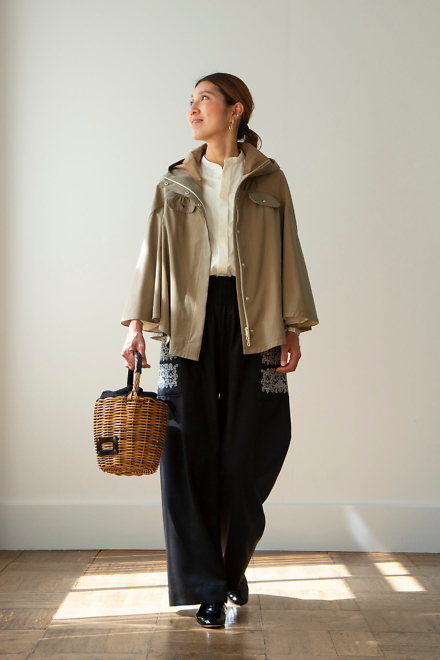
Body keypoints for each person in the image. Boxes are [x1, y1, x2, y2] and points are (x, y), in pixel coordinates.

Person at [120, 72, 319, 628]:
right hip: (187, 323)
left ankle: (233, 567)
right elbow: (151, 254)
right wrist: (135, 325)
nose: (193, 109)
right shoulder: (174, 182)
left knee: (250, 453)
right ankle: (208, 585)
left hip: (257, 320)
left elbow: (289, 249)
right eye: (190, 101)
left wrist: (293, 327)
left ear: (235, 111)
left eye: (204, 99)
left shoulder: (269, 178)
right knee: (187, 454)